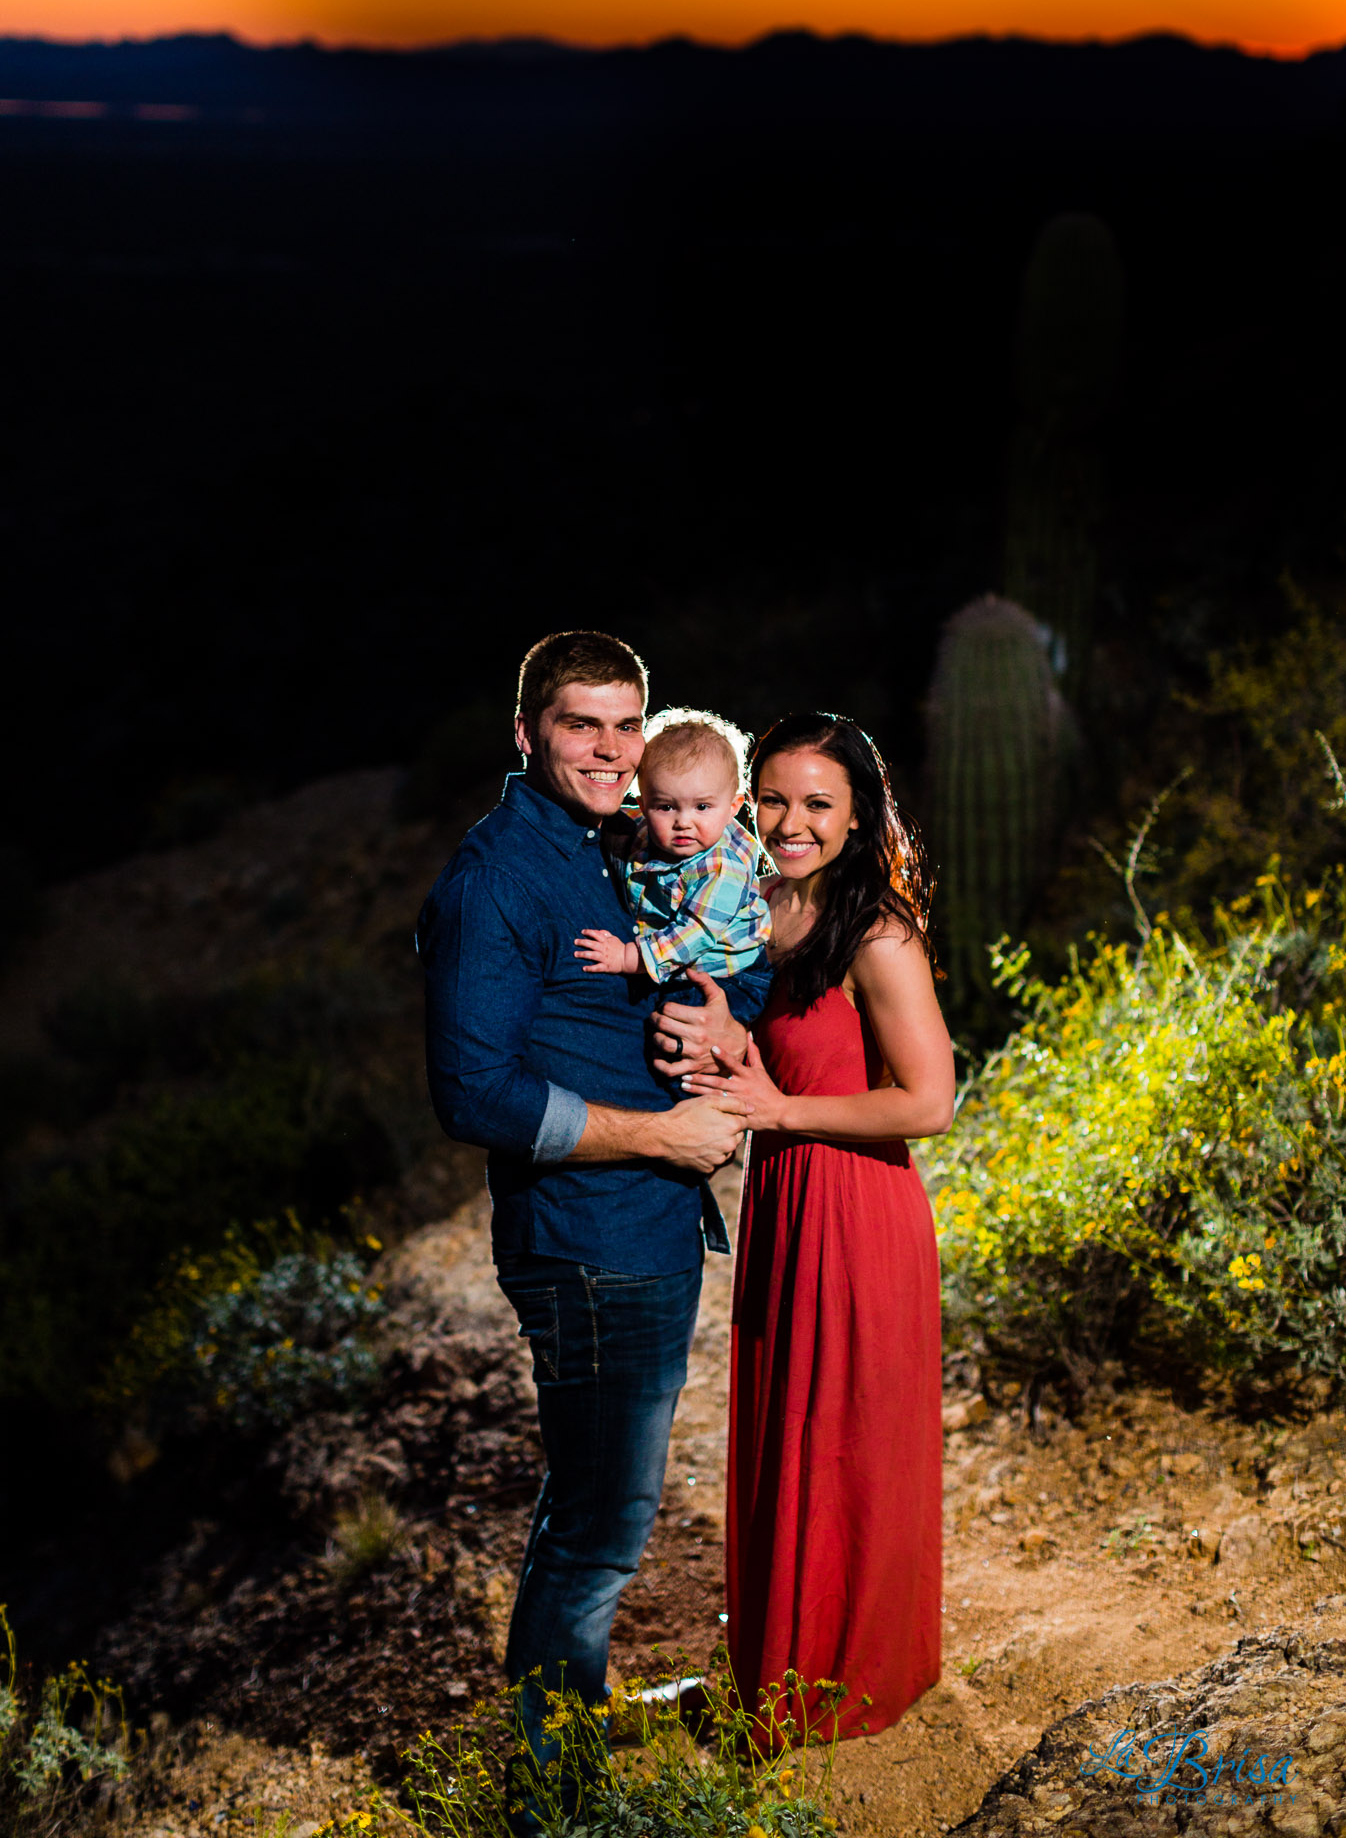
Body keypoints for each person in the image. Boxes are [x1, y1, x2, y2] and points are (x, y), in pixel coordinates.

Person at [415, 632, 771, 1823]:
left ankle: (574, 1722)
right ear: (528, 735)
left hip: (643, 1232)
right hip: (588, 1237)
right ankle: (558, 1796)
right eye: (584, 725)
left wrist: (722, 1013)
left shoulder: (607, 844)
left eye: (629, 724)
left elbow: (705, 950)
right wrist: (662, 1136)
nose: (614, 749)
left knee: (601, 1505)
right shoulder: (496, 879)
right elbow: (477, 1092)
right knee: (600, 1530)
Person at [682, 711, 956, 1742]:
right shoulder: (750, 906)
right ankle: (778, 1667)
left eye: (819, 803)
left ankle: (855, 1685)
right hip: (786, 1199)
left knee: (845, 1446)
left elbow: (929, 1100)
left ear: (857, 817)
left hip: (857, 1208)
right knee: (785, 1431)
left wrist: (782, 1111)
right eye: (776, 797)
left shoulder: (875, 931)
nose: (792, 821)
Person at [575, 707, 771, 984]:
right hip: (674, 961)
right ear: (643, 806)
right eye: (666, 807)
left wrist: (627, 958)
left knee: (671, 1021)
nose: (683, 822)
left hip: (727, 974)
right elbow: (618, 821)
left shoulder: (723, 866)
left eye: (702, 807)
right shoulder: (647, 827)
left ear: (733, 808)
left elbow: (695, 932)